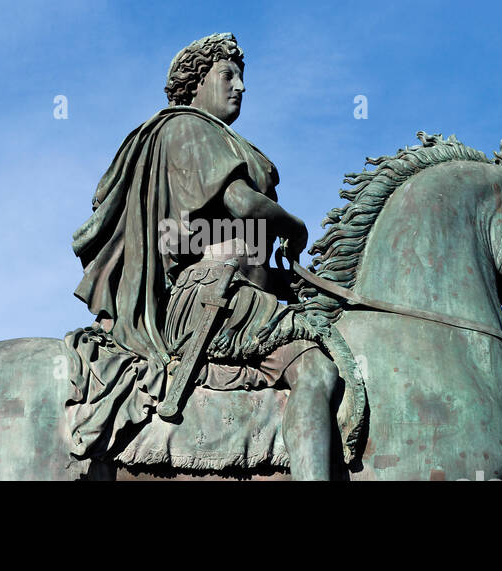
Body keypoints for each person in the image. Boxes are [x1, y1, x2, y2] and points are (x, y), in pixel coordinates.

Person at [70, 33, 340, 480]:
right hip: (207, 296)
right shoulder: (187, 128)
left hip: (240, 294)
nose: (240, 86)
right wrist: (296, 227)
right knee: (315, 370)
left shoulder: (224, 140)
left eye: (242, 77)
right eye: (227, 75)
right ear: (196, 82)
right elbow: (243, 205)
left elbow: (243, 237)